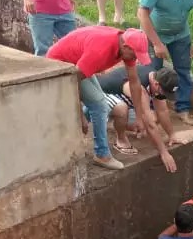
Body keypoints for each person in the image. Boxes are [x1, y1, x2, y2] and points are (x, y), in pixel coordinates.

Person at [47, 26, 176, 173]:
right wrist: (79, 116)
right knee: (100, 105)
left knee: (99, 101)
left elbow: (134, 81)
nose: (135, 59)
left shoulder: (124, 45)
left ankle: (85, 123)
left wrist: (139, 118)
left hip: (78, 64)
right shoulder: (100, 50)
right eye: (134, 55)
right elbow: (74, 81)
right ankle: (101, 154)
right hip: (60, 65)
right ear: (126, 46)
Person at [98, 65, 179, 155]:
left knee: (153, 117)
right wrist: (164, 152)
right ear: (156, 84)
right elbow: (149, 124)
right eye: (165, 93)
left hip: (122, 99)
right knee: (122, 109)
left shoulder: (156, 78)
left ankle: (114, 123)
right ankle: (121, 140)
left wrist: (172, 135)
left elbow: (162, 111)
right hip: (100, 95)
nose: (165, 97)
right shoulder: (140, 87)